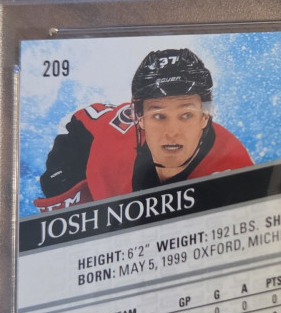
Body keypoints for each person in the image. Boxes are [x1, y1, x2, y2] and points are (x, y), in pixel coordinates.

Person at [34, 48, 253, 210]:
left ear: (205, 116)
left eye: (186, 115)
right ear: (138, 118)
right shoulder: (112, 147)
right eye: (159, 116)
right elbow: (81, 121)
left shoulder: (233, 168)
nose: (172, 132)